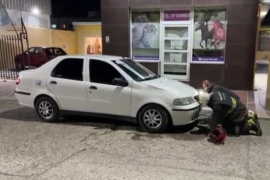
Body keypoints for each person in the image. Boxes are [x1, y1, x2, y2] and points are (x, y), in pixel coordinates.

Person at [197, 90, 262, 137]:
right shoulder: (215, 93)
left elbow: (212, 126)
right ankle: (250, 115)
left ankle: (250, 125)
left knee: (228, 129)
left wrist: (203, 129)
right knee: (220, 120)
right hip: (239, 107)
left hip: (238, 114)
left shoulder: (217, 106)